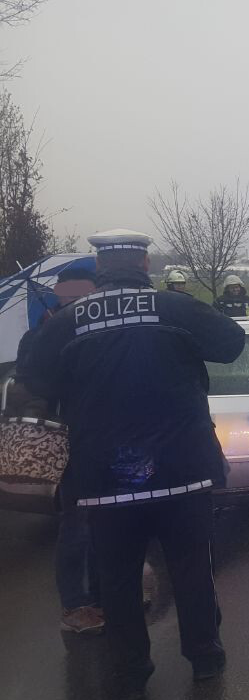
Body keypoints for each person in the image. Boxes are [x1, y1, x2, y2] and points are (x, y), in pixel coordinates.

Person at [17, 229, 246, 699]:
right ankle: (205, 657)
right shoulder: (175, 309)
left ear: (101, 267)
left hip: (105, 478)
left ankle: (129, 673)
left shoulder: (67, 322)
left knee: (117, 579)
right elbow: (232, 343)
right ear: (144, 264)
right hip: (182, 471)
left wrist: (52, 336)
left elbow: (34, 380)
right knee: (192, 569)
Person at [11, 267, 102, 634]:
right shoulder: (39, 336)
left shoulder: (96, 329)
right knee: (77, 524)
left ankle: (103, 594)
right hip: (66, 443)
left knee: (107, 520)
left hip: (103, 439)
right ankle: (75, 606)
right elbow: (29, 386)